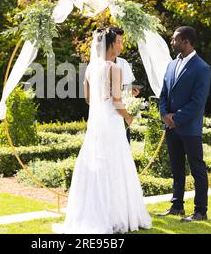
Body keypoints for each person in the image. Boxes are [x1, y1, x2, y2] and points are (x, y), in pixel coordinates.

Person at [52, 27, 151, 234]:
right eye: (120, 42)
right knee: (116, 165)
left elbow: (88, 98)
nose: (122, 45)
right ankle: (116, 216)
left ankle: (96, 213)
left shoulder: (90, 68)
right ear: (111, 44)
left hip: (97, 123)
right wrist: (129, 116)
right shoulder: (114, 69)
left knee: (97, 164)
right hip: (113, 123)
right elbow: (116, 101)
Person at [157, 26, 211, 222]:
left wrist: (175, 119)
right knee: (177, 169)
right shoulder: (171, 65)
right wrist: (164, 114)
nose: (172, 42)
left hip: (189, 129)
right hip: (171, 128)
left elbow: (198, 102)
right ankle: (177, 206)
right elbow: (163, 93)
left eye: (175, 39)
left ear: (186, 41)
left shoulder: (202, 68)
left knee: (197, 170)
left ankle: (200, 211)